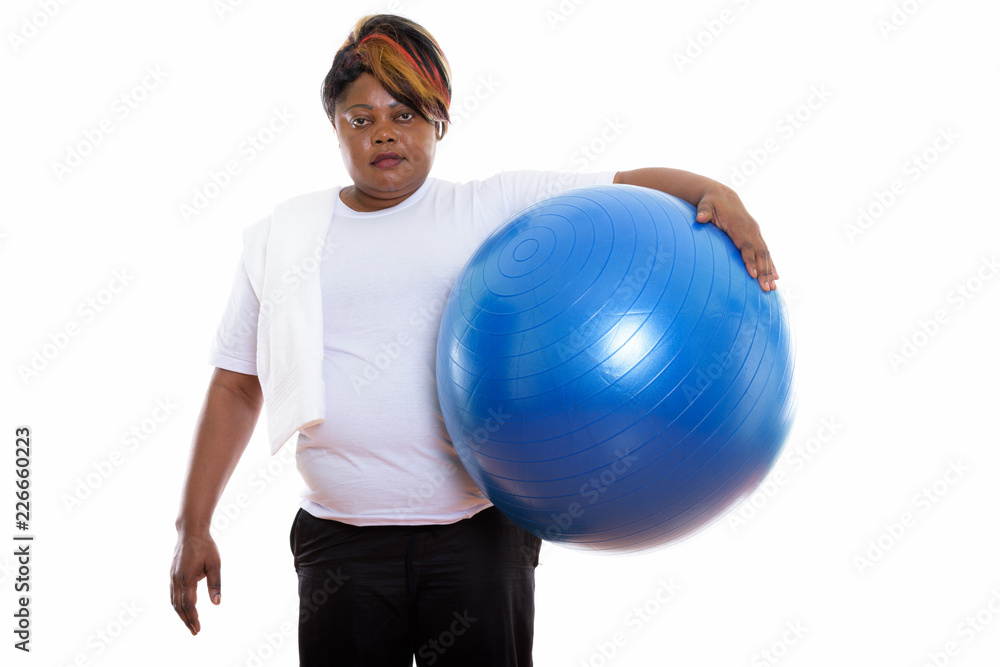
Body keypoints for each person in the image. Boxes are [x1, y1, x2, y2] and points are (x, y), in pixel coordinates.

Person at [169, 13, 779, 666]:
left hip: (477, 539)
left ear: (439, 121)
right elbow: (237, 385)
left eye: (404, 114)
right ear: (335, 127)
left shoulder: (491, 208)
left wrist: (714, 191)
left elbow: (621, 187)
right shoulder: (282, 238)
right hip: (339, 543)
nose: (383, 133)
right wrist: (192, 525)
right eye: (361, 118)